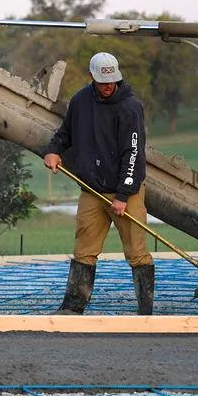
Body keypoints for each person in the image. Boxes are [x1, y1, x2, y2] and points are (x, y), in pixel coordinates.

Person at [43, 52, 154, 315]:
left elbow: (134, 154)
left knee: (137, 251)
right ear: (92, 77)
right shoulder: (80, 101)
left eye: (112, 80)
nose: (108, 86)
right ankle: (73, 307)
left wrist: (123, 195)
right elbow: (65, 133)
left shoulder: (130, 107)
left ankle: (145, 311)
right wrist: (53, 151)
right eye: (103, 81)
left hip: (126, 192)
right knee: (84, 249)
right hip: (92, 189)